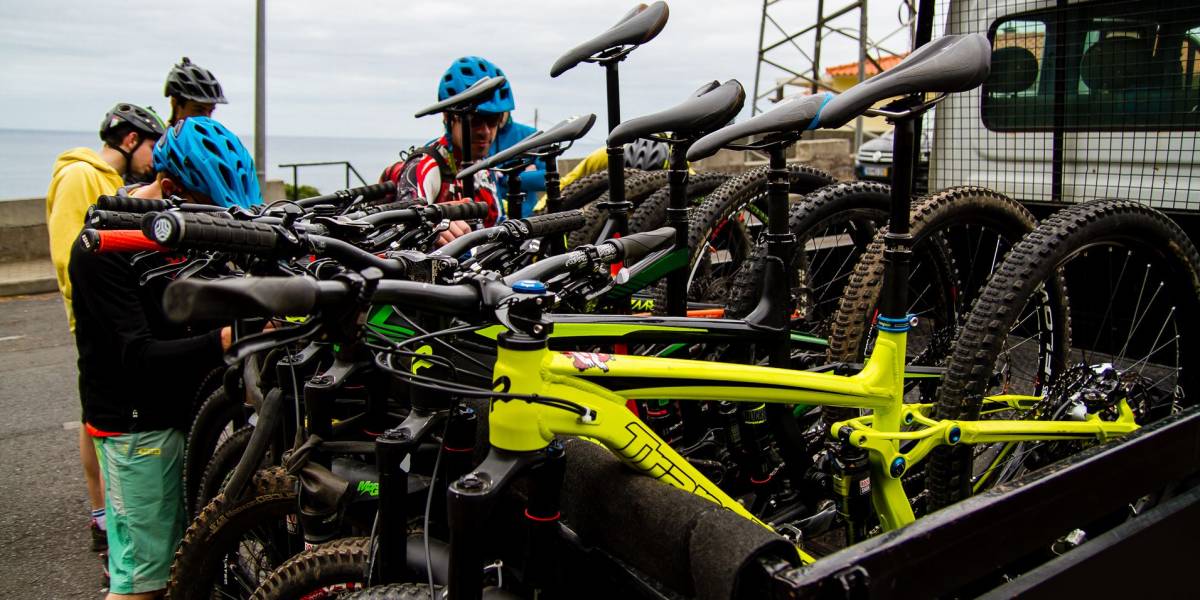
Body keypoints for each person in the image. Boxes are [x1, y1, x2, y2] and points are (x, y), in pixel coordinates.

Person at [70, 116, 258, 600]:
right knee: (143, 584)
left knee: (183, 567)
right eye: (209, 210)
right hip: (138, 426)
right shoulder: (105, 247)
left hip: (184, 415)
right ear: (170, 188)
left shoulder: (189, 230)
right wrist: (226, 338)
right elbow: (137, 357)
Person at [44, 102, 165, 565]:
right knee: (96, 416)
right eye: (151, 145)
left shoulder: (110, 180)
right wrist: (100, 305)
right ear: (131, 140)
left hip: (111, 309)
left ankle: (111, 510)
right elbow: (68, 252)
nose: (153, 157)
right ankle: (100, 514)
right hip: (96, 314)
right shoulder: (80, 176)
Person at [381, 56, 514, 240]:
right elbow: (405, 231)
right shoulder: (424, 166)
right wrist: (434, 230)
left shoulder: (483, 166)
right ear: (448, 117)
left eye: (493, 120)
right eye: (474, 121)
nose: (485, 131)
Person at [164, 57, 227, 124]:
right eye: (199, 110)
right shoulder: (159, 130)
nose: (206, 119)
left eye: (210, 111)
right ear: (175, 105)